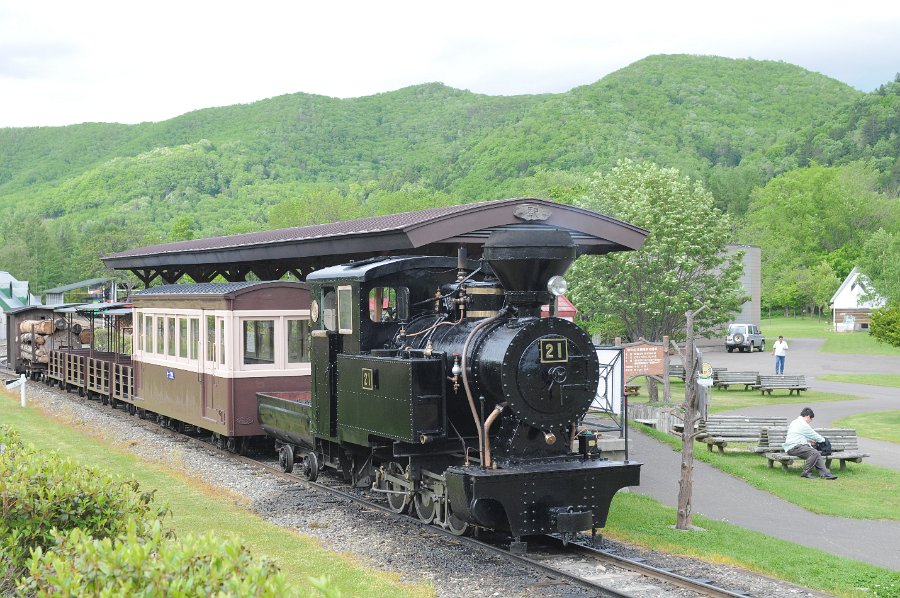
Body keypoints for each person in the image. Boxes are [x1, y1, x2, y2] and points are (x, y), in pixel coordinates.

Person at [783, 407, 837, 479]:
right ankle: (806, 473)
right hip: (794, 447)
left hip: (793, 447)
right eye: (811, 419)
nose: (810, 421)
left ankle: (824, 474)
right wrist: (824, 440)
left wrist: (808, 440)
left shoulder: (795, 422)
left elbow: (798, 434)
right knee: (814, 453)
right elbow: (814, 435)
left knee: (816, 453)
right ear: (808, 416)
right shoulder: (803, 424)